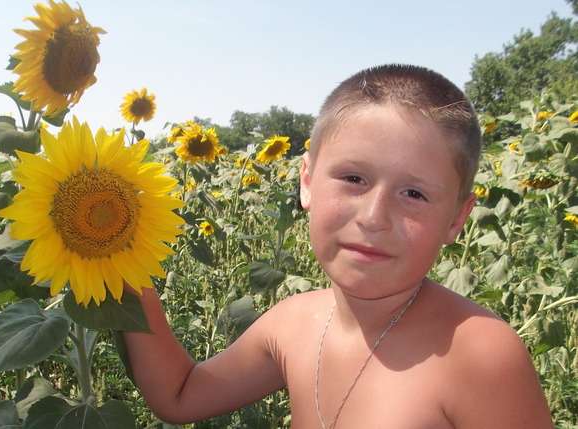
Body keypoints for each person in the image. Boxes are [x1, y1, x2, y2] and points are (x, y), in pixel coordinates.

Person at [122, 64, 554, 428]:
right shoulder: (292, 324)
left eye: (414, 194)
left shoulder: (479, 354)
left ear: (457, 218)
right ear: (306, 181)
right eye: (353, 179)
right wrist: (118, 261)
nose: (372, 217)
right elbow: (180, 395)